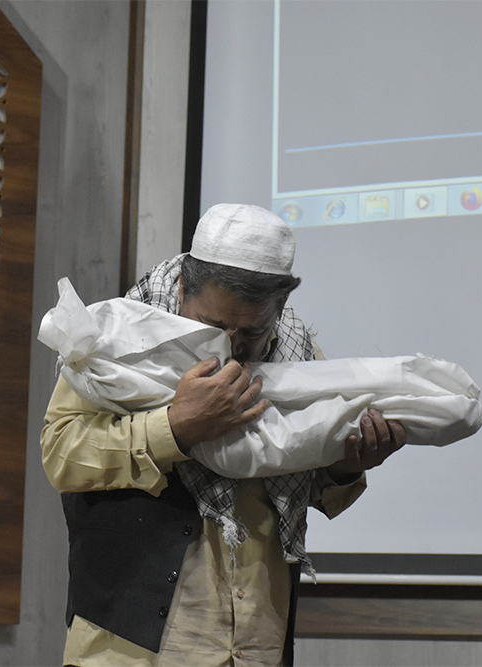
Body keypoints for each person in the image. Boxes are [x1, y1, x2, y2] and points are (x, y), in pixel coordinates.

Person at [40, 203, 406, 666]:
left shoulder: (301, 358)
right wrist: (176, 427)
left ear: (278, 311)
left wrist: (344, 467)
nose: (231, 347)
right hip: (129, 652)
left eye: (251, 332)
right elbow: (61, 452)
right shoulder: (113, 342)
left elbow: (306, 482)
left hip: (255, 645)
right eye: (212, 327)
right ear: (182, 289)